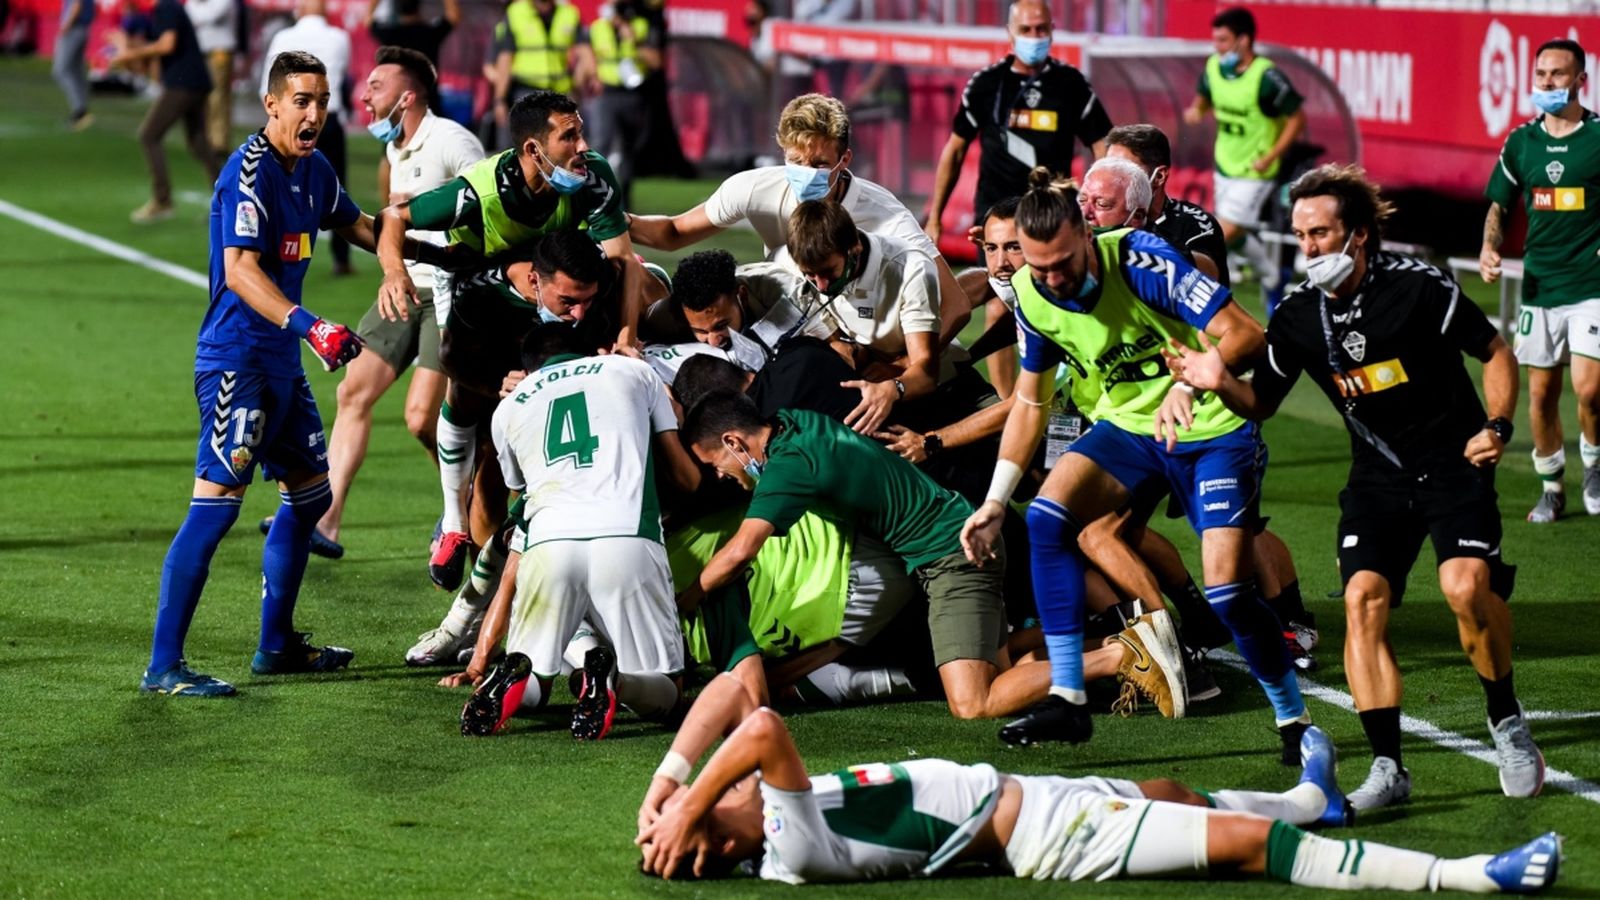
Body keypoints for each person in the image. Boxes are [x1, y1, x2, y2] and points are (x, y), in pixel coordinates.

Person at [1167, 164, 1545, 812]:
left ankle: (1505, 718)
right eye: (1300, 235)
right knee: (1362, 600)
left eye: (1321, 233)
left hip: (1453, 462)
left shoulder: (1420, 287)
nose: (1308, 247)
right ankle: (1389, 767)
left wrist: (1499, 425)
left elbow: (1497, 353)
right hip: (1376, 476)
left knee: (1465, 590)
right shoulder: (1295, 316)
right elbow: (1260, 404)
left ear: (1361, 235)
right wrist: (1214, 380)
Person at [959, 168, 1307, 751]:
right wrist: (996, 501)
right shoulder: (1034, 298)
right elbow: (1029, 402)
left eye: (1062, 263)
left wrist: (1192, 382)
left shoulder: (1143, 261)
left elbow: (1247, 336)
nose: (1052, 278)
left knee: (1229, 593)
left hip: (1212, 428)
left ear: (1088, 237)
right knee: (1047, 518)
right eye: (1037, 267)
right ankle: (1069, 698)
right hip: (1131, 431)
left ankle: (1292, 718)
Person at [636, 706, 1563, 894]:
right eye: (699, 833)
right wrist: (686, 805)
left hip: (1027, 797)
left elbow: (733, 685)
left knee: (1170, 788)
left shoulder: (757, 810)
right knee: (1242, 845)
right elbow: (756, 723)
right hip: (1050, 833)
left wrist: (667, 783)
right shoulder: (790, 844)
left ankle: (1317, 800)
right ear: (719, 841)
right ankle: (1467, 875)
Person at [680, 392, 1178, 722]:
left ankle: (1121, 656)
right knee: (1002, 667)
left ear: (734, 441)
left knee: (973, 702)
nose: (722, 476)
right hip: (957, 539)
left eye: (716, 464)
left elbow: (742, 551)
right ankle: (1124, 637)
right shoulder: (795, 423)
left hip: (951, 557)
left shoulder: (789, 466)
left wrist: (686, 600)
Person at [140, 51, 382, 697]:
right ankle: (164, 666)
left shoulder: (316, 169)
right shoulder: (247, 173)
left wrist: (436, 250)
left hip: (279, 363)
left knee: (310, 495)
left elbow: (364, 227)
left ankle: (276, 646)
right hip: (236, 363)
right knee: (216, 509)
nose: (313, 113)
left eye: (322, 101)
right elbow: (242, 271)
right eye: (300, 100)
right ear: (271, 104)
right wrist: (314, 327)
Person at [375, 88, 646, 592]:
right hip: (481, 292)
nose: (583, 145)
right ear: (532, 151)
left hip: (555, 288)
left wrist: (627, 332)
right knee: (467, 391)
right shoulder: (477, 193)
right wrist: (394, 270)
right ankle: (455, 524)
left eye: (581, 130)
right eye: (570, 136)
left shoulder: (591, 175)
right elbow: (395, 217)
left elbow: (624, 262)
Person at [258, 47, 485, 561]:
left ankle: (467, 508)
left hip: (452, 293)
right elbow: (385, 224)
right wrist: (391, 268)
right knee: (352, 391)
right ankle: (326, 521)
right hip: (405, 287)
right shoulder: (395, 150)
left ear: (407, 97)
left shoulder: (453, 141)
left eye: (376, 86)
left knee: (422, 419)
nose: (364, 94)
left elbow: (488, 212)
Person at [452, 323, 702, 739]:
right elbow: (681, 472)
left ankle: (515, 680)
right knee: (669, 693)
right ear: (589, 351)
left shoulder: (508, 408)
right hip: (627, 535)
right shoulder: (632, 372)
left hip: (549, 544)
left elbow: (521, 491)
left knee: (535, 669)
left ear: (530, 368)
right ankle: (613, 682)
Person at [627, 94, 967, 327]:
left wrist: (903, 374)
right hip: (784, 314)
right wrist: (612, 216)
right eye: (796, 162)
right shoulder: (754, 189)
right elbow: (673, 233)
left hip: (863, 330)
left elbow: (956, 305)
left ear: (845, 160)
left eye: (819, 163)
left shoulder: (886, 217)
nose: (806, 172)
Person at [1481, 38, 1600, 523]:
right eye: (1540, 75)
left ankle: (1593, 466)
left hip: (1591, 283)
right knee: (1539, 395)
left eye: (1557, 74)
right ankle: (1552, 486)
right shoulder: (1521, 142)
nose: (1546, 83)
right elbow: (1499, 205)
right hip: (1539, 285)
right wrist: (1490, 246)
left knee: (1590, 390)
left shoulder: (1597, 139)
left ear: (1580, 81)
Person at [925, 0, 1110, 244]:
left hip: (1053, 214)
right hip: (997, 216)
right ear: (1010, 33)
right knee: (997, 281)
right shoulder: (986, 84)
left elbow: (1103, 145)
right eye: (1025, 30)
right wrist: (935, 218)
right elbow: (955, 150)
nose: (1034, 37)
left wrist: (1097, 203)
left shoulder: (1071, 84)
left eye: (1041, 29)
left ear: (1052, 30)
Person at [1183, 6, 1305, 302]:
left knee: (1222, 232)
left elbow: (1297, 119)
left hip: (1256, 170)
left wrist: (1272, 154)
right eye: (1216, 40)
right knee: (1233, 237)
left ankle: (1197, 291)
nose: (1218, 47)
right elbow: (1202, 100)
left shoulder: (1267, 77)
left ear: (1244, 40)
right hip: (1224, 164)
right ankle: (1271, 275)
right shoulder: (1213, 68)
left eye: (1223, 40)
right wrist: (1195, 111)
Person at [262, 0, 355, 276]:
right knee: (337, 190)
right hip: (331, 124)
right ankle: (342, 259)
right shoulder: (340, 38)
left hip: (288, 126)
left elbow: (266, 88)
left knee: (283, 190)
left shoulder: (284, 37)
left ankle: (275, 252)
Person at [110, 0, 221, 224]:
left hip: (184, 83)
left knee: (149, 135)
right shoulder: (166, 9)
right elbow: (158, 44)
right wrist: (127, 44)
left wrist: (128, 54)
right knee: (198, 142)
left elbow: (167, 45)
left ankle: (163, 201)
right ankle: (229, 200)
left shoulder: (166, 7)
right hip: (194, 81)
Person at [1105, 123, 1230, 285]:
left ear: (1159, 177)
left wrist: (1147, 246)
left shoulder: (1193, 224)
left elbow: (1210, 278)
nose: (1111, 180)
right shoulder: (1096, 216)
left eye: (1124, 171)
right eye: (1107, 169)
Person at [586, 0, 660, 207]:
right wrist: (590, 76)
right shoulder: (598, 27)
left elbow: (656, 61)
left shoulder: (641, 27)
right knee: (600, 145)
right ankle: (593, 197)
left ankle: (624, 200)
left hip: (633, 94)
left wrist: (635, 41)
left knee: (629, 148)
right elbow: (587, 55)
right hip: (606, 94)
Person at [491, 0, 593, 140]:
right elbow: (505, 59)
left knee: (562, 146)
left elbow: (586, 56)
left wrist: (577, 84)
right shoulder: (516, 12)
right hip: (525, 92)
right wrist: (500, 99)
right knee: (522, 146)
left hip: (558, 94)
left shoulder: (569, 13)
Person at [186, 0, 237, 152]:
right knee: (202, 96)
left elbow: (211, 15)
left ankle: (218, 142)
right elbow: (189, 13)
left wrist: (200, 8)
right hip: (201, 51)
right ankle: (205, 138)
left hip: (219, 51)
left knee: (218, 96)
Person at [366, 0, 460, 67]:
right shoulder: (430, 34)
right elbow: (453, 16)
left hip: (398, 94)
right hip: (426, 94)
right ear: (419, 8)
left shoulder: (388, 35)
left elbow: (368, 20)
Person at [51, 0, 95, 131]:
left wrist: (67, 25)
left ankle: (80, 111)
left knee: (61, 71)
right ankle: (82, 110)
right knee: (76, 71)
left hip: (73, 28)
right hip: (83, 29)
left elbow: (76, 5)